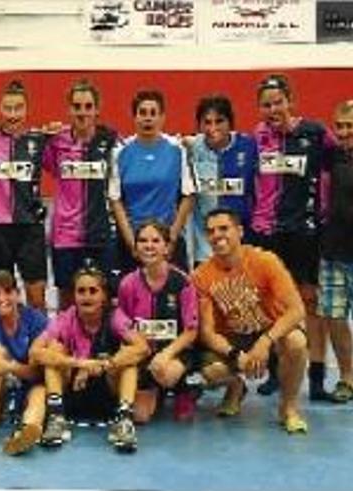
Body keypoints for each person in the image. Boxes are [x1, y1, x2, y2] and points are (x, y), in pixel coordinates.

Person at [250, 74, 336, 400]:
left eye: (278, 102)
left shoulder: (315, 133)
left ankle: (316, 380)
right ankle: (274, 373)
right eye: (266, 104)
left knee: (310, 304)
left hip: (306, 232)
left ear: (291, 100)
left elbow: (341, 157)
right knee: (271, 304)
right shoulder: (257, 137)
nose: (273, 109)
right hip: (268, 234)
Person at [191, 208, 308, 434]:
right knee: (212, 372)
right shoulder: (201, 275)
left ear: (240, 231)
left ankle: (289, 408)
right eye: (211, 231)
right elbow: (207, 332)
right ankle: (236, 386)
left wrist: (264, 342)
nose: (216, 235)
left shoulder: (265, 261)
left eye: (224, 228)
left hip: (271, 333)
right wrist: (236, 355)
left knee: (296, 342)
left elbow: (297, 310)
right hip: (234, 339)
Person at [31, 267, 149, 453]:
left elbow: (142, 347)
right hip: (74, 392)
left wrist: (107, 364)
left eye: (93, 291)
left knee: (128, 357)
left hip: (108, 391)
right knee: (54, 350)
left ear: (103, 296)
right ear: (74, 295)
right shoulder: (66, 317)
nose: (87, 296)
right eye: (81, 291)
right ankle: (56, 418)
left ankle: (124, 421)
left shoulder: (115, 316)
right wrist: (79, 364)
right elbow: (35, 352)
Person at [43, 79, 119, 309]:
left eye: (88, 106)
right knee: (67, 298)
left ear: (97, 109)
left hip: (100, 232)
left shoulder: (111, 140)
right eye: (77, 106)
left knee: (104, 297)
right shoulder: (56, 142)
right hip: (65, 234)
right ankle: (66, 343)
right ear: (69, 109)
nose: (82, 113)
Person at [116, 221, 199, 422]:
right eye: (143, 241)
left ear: (166, 247)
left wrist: (166, 354)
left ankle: (183, 389)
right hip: (144, 352)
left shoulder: (183, 282)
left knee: (166, 373)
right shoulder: (128, 283)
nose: (149, 245)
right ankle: (154, 391)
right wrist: (133, 340)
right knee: (140, 417)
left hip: (174, 353)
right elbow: (122, 319)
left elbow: (191, 330)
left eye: (155, 240)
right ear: (135, 247)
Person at [0, 80, 49, 311]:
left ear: (26, 110)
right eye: (7, 108)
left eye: (18, 108)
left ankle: (38, 345)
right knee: (2, 299)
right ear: (0, 109)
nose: (12, 114)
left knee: (36, 300)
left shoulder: (38, 141)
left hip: (30, 228)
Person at [109, 89, 195, 273]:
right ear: (135, 117)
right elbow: (116, 200)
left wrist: (170, 240)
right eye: (142, 113)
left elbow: (188, 195)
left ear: (162, 117)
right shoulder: (120, 152)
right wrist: (133, 243)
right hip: (132, 244)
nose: (148, 118)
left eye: (153, 113)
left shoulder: (177, 150)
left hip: (168, 242)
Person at [0, 270, 48, 456]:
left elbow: (38, 372)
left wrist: (9, 366)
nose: (2, 298)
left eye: (7, 292)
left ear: (17, 294)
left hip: (29, 385)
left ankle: (26, 430)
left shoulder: (36, 320)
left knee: (40, 393)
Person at [187, 94, 258, 266]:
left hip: (240, 245)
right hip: (204, 248)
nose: (213, 128)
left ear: (230, 123)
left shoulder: (249, 146)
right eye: (207, 122)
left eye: (219, 121)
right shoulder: (190, 148)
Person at [315, 100, 353, 403]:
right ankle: (347, 378)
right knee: (336, 319)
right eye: (338, 126)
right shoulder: (332, 156)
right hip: (334, 253)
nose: (343, 132)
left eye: (349, 126)